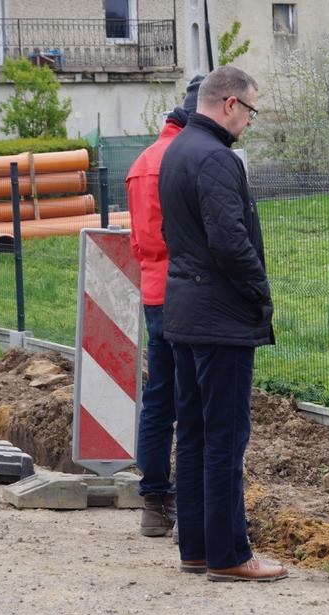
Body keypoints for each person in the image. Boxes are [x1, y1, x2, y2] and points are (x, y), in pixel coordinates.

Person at [158, 66, 287, 582]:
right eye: (251, 110)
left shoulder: (177, 150)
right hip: (220, 318)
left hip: (185, 312)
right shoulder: (216, 158)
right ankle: (230, 554)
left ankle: (196, 547)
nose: (251, 121)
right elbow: (229, 241)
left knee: (191, 432)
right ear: (230, 104)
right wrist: (259, 291)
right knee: (225, 436)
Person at [126, 74, 204, 537]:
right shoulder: (188, 158)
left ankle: (154, 504)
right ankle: (191, 513)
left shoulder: (141, 161)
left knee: (158, 399)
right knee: (194, 400)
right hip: (190, 291)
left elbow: (141, 237)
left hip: (154, 291)